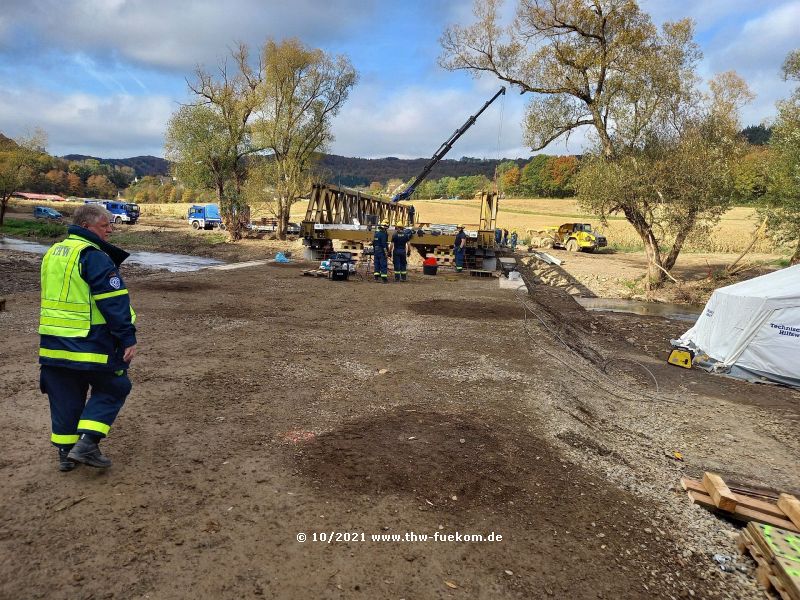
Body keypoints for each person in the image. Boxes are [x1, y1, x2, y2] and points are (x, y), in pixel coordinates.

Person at [39, 203, 137, 471]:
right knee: (115, 387)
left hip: (52, 344)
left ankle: (65, 454)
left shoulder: (52, 254)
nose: (110, 230)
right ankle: (88, 444)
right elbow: (113, 301)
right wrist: (127, 337)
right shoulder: (92, 255)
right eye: (105, 226)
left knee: (64, 397)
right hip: (90, 343)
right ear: (86, 227)